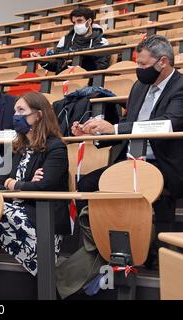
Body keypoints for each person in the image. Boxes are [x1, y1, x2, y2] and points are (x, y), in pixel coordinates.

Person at [71, 35, 183, 268]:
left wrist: (115, 128)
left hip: (162, 162)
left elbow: (168, 123)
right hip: (128, 159)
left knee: (157, 192)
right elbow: (126, 125)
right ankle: (101, 247)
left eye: (143, 64)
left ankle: (155, 255)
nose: (138, 70)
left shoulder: (180, 87)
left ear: (163, 62)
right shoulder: (139, 86)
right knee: (87, 186)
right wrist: (96, 132)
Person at [0, 91, 70, 276]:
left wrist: (13, 184)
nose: (16, 116)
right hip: (15, 213)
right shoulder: (17, 148)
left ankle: (47, 271)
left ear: (39, 114)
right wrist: (24, 183)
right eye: (15, 111)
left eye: (21, 110)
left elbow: (43, 187)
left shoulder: (55, 147)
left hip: (42, 217)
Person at [31, 7, 110, 74]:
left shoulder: (102, 42)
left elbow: (101, 67)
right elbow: (56, 65)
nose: (76, 25)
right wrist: (42, 60)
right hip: (65, 80)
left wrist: (79, 64)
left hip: (88, 83)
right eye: (74, 22)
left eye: (79, 21)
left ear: (89, 21)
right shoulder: (65, 40)